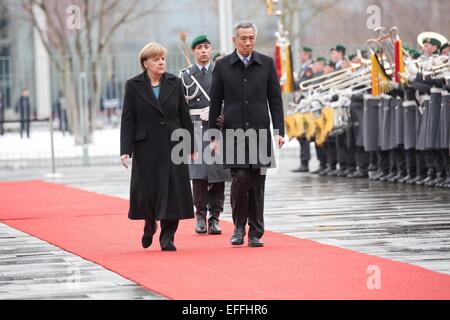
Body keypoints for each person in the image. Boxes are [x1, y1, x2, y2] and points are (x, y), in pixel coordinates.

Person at [209, 20, 285, 248]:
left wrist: (278, 131)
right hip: (234, 133)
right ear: (234, 40)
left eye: (251, 38)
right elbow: (215, 102)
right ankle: (239, 227)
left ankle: (256, 232)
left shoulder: (267, 64)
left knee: (257, 182)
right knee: (240, 179)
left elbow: (275, 100)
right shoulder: (222, 66)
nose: (248, 43)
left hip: (260, 131)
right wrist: (213, 134)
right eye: (243, 39)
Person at [120, 42, 196, 251]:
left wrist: (191, 145)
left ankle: (168, 236)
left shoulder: (175, 82)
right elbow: (128, 119)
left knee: (173, 192)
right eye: (156, 59)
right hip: (146, 147)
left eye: (163, 58)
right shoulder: (133, 85)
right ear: (145, 63)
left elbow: (184, 116)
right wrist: (125, 150)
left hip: (173, 144)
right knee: (147, 192)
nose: (161, 62)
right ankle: (149, 223)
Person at [180, 35, 231, 235]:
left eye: (206, 47)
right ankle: (200, 215)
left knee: (218, 174)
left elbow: (231, 98)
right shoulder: (185, 76)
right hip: (195, 128)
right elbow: (181, 106)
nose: (203, 50)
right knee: (199, 175)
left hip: (216, 127)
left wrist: (217, 111)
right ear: (194, 51)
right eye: (199, 47)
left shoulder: (221, 72)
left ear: (211, 50)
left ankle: (215, 217)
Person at [292, 47, 314, 173]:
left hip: (306, 105)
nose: (299, 56)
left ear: (308, 54)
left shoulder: (309, 68)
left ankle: (305, 163)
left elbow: (303, 85)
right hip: (301, 105)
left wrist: (291, 82)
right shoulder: (303, 68)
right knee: (301, 135)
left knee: (304, 135)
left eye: (302, 54)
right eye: (299, 53)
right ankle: (303, 162)